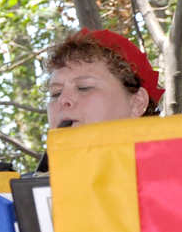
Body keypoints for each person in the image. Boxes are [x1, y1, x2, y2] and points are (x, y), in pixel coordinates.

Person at [38, 27, 164, 172]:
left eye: (84, 87)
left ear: (136, 103)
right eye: (56, 93)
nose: (62, 100)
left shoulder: (181, 181)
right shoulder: (16, 192)